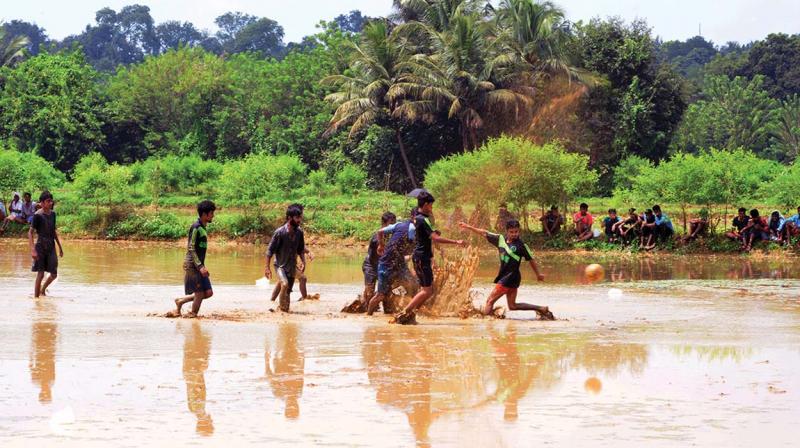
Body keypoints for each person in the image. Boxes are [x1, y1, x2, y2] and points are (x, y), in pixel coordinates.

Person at [393, 192, 466, 325]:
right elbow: (435, 238)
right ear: (426, 204)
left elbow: (429, 234)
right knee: (427, 290)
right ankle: (404, 313)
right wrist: (456, 242)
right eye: (431, 205)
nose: (432, 208)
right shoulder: (422, 219)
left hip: (422, 257)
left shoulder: (421, 218)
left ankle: (410, 314)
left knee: (427, 290)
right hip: (421, 257)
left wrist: (433, 233)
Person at [459, 220, 553, 320]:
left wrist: (538, 274)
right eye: (511, 232)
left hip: (509, 277)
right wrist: (468, 227)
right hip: (512, 278)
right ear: (507, 232)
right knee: (512, 306)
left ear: (519, 231)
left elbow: (531, 260)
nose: (514, 234)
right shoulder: (500, 240)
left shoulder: (521, 246)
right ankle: (541, 308)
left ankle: (487, 323)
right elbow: (484, 232)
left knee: (490, 301)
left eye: (516, 232)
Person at [366, 208, 419, 316]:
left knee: (413, 284)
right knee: (379, 295)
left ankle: (406, 309)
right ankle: (368, 316)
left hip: (398, 264)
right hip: (381, 265)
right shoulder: (406, 227)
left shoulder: (397, 228)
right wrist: (381, 245)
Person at [170, 200, 216, 318]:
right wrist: (200, 266)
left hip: (199, 264)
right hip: (192, 265)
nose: (213, 216)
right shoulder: (196, 227)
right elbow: (191, 247)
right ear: (204, 214)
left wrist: (202, 265)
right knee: (200, 293)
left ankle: (180, 301)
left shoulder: (203, 228)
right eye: (211, 213)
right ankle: (193, 314)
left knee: (208, 293)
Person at [265, 204, 306, 312]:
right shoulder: (280, 233)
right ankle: (280, 309)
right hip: (280, 266)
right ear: (289, 218)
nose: (299, 220)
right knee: (284, 283)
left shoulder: (299, 233)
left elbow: (301, 249)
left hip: (292, 267)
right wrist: (267, 268)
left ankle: (282, 311)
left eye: (300, 217)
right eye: (297, 218)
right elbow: (269, 251)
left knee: (288, 292)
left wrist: (303, 261)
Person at [360, 212, 397, 310]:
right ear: (383, 224)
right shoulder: (377, 238)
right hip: (371, 266)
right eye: (391, 223)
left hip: (383, 266)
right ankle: (366, 310)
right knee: (369, 291)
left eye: (394, 223)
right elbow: (378, 256)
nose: (393, 226)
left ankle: (383, 309)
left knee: (387, 293)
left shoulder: (392, 236)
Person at [29, 191, 63, 298]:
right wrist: (33, 249)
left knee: (54, 274)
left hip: (51, 245)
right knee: (41, 273)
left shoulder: (53, 214)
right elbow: (30, 232)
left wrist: (60, 247)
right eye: (48, 201)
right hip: (40, 246)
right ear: (42, 203)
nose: (50, 203)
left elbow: (53, 231)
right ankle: (36, 299)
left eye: (51, 201)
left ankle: (42, 290)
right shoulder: (37, 215)